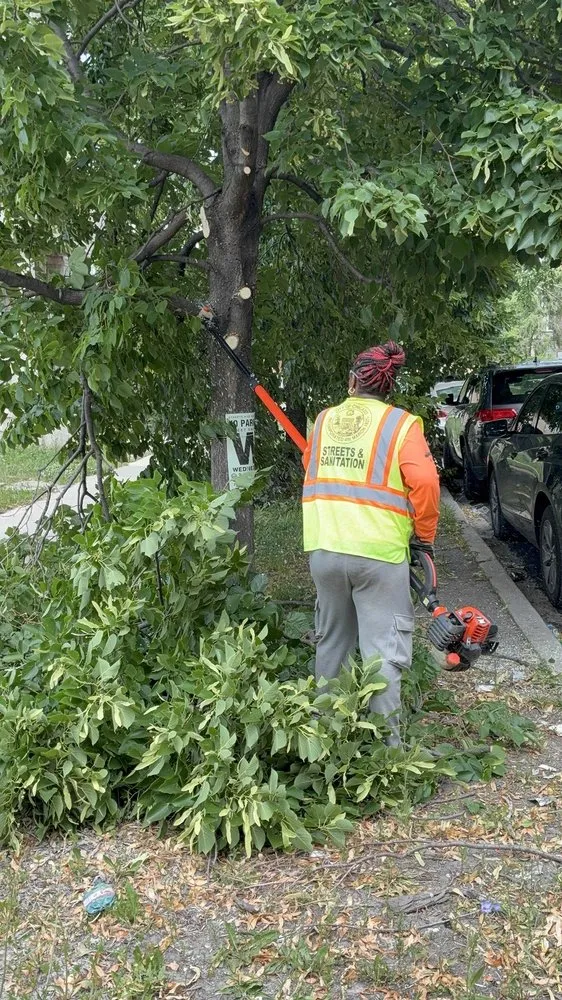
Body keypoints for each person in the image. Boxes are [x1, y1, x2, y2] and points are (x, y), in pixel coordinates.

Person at [302, 341, 440, 747]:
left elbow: (310, 467)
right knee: (382, 652)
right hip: (379, 558)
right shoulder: (402, 426)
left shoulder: (324, 420)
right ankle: (387, 754)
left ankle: (324, 743)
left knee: (332, 645)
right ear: (388, 386)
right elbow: (427, 484)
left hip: (325, 551)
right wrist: (425, 538)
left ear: (352, 380)